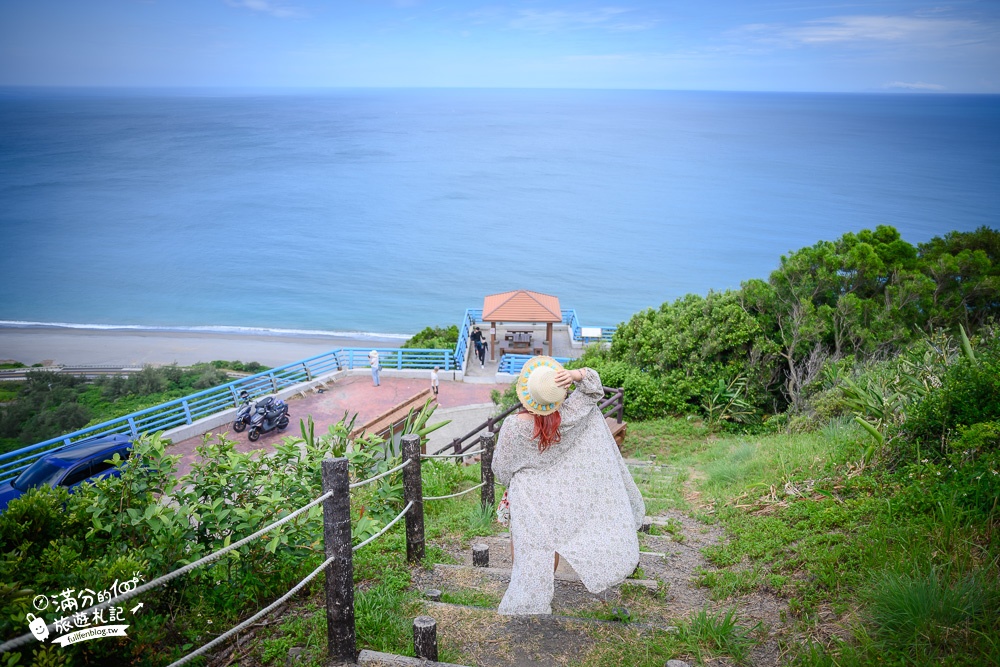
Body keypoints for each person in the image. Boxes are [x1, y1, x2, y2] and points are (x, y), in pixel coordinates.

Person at [492, 356, 645, 616]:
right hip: (560, 494)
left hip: (528, 494)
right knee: (551, 545)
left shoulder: (514, 426)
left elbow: (501, 468)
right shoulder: (570, 416)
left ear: (527, 393)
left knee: (529, 545)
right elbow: (593, 388)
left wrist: (512, 481)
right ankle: (543, 585)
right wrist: (575, 375)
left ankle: (530, 592)